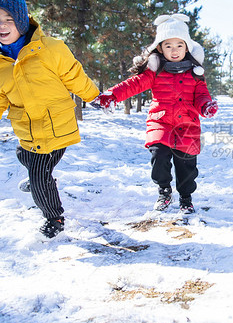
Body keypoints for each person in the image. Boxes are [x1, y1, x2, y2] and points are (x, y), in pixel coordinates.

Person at [0, 0, 100, 238]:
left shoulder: (51, 50)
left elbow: (74, 76)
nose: (2, 26)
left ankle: (54, 216)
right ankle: (41, 182)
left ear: (23, 21)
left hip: (56, 126)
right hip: (28, 130)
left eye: (9, 19)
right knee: (25, 158)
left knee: (39, 175)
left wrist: (93, 96)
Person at [92, 14, 218, 214]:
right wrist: (112, 95)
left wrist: (206, 106)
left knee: (187, 167)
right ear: (159, 48)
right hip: (161, 122)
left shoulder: (195, 74)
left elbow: (201, 95)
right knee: (159, 156)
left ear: (187, 47)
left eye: (179, 45)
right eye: (168, 46)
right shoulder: (155, 71)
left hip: (188, 124)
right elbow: (133, 84)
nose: (174, 50)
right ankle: (164, 191)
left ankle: (186, 199)